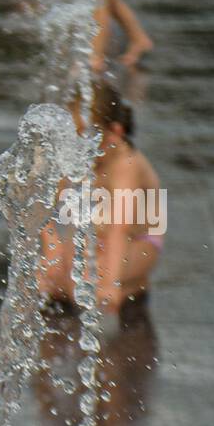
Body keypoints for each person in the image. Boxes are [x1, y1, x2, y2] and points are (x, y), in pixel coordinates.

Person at [38, 83, 162, 313]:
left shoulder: (127, 164)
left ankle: (133, 284)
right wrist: (52, 246)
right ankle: (121, 283)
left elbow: (119, 229)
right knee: (44, 278)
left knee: (87, 281)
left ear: (115, 132)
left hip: (140, 242)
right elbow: (40, 204)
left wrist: (110, 283)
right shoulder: (83, 155)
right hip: (97, 239)